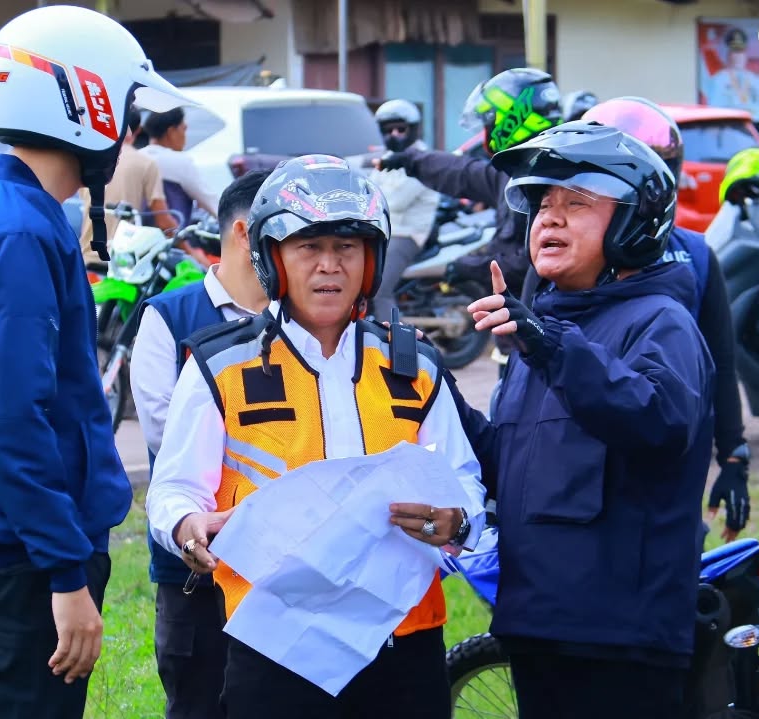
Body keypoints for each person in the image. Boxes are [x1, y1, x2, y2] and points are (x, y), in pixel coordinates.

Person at [0, 6, 194, 718]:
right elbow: (13, 418)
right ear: (81, 101)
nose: (123, 133)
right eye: (120, 109)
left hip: (9, 539)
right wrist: (64, 574)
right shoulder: (21, 233)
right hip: (31, 557)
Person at [145, 154, 486, 718]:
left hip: (404, 639)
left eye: (346, 249)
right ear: (271, 257)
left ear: (371, 260)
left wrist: (459, 521)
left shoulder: (416, 365)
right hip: (278, 641)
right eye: (309, 247)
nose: (329, 266)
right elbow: (173, 487)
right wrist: (187, 525)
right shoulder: (219, 364)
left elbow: (465, 483)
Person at [450, 122, 714, 718]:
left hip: (621, 639)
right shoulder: (541, 331)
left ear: (631, 224)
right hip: (536, 623)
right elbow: (510, 466)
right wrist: (435, 391)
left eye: (578, 203)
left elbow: (656, 422)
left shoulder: (660, 321)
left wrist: (546, 344)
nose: (550, 218)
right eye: (543, 204)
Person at [129, 169, 271, 719]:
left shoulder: (304, 318)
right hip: (197, 565)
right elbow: (169, 435)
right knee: (199, 700)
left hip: (285, 561)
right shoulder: (169, 318)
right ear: (244, 232)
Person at [581, 97, 751, 542]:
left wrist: (734, 456)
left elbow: (720, 362)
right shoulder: (565, 257)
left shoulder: (695, 254)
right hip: (579, 457)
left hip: (669, 454)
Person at [376, 68, 563, 300]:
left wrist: (469, 267)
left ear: (511, 118)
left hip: (533, 318)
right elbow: (463, 172)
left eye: (488, 122)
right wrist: (410, 160)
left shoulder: (543, 181)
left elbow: (530, 262)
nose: (486, 131)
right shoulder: (517, 171)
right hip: (516, 313)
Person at [369, 98, 440, 321]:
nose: (395, 135)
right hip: (384, 231)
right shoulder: (387, 158)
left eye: (401, 129)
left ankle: (393, 345)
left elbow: (394, 202)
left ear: (414, 129)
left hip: (407, 234)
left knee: (379, 290)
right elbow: (370, 191)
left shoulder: (421, 159)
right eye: (389, 130)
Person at [80, 107, 176, 268]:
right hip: (123, 259)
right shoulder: (145, 163)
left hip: (86, 257)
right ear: (137, 130)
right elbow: (163, 220)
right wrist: (188, 248)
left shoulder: (88, 156)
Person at [142, 107, 219, 225]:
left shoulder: (137, 157)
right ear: (171, 132)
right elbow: (211, 202)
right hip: (172, 238)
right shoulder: (179, 161)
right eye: (184, 129)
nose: (185, 136)